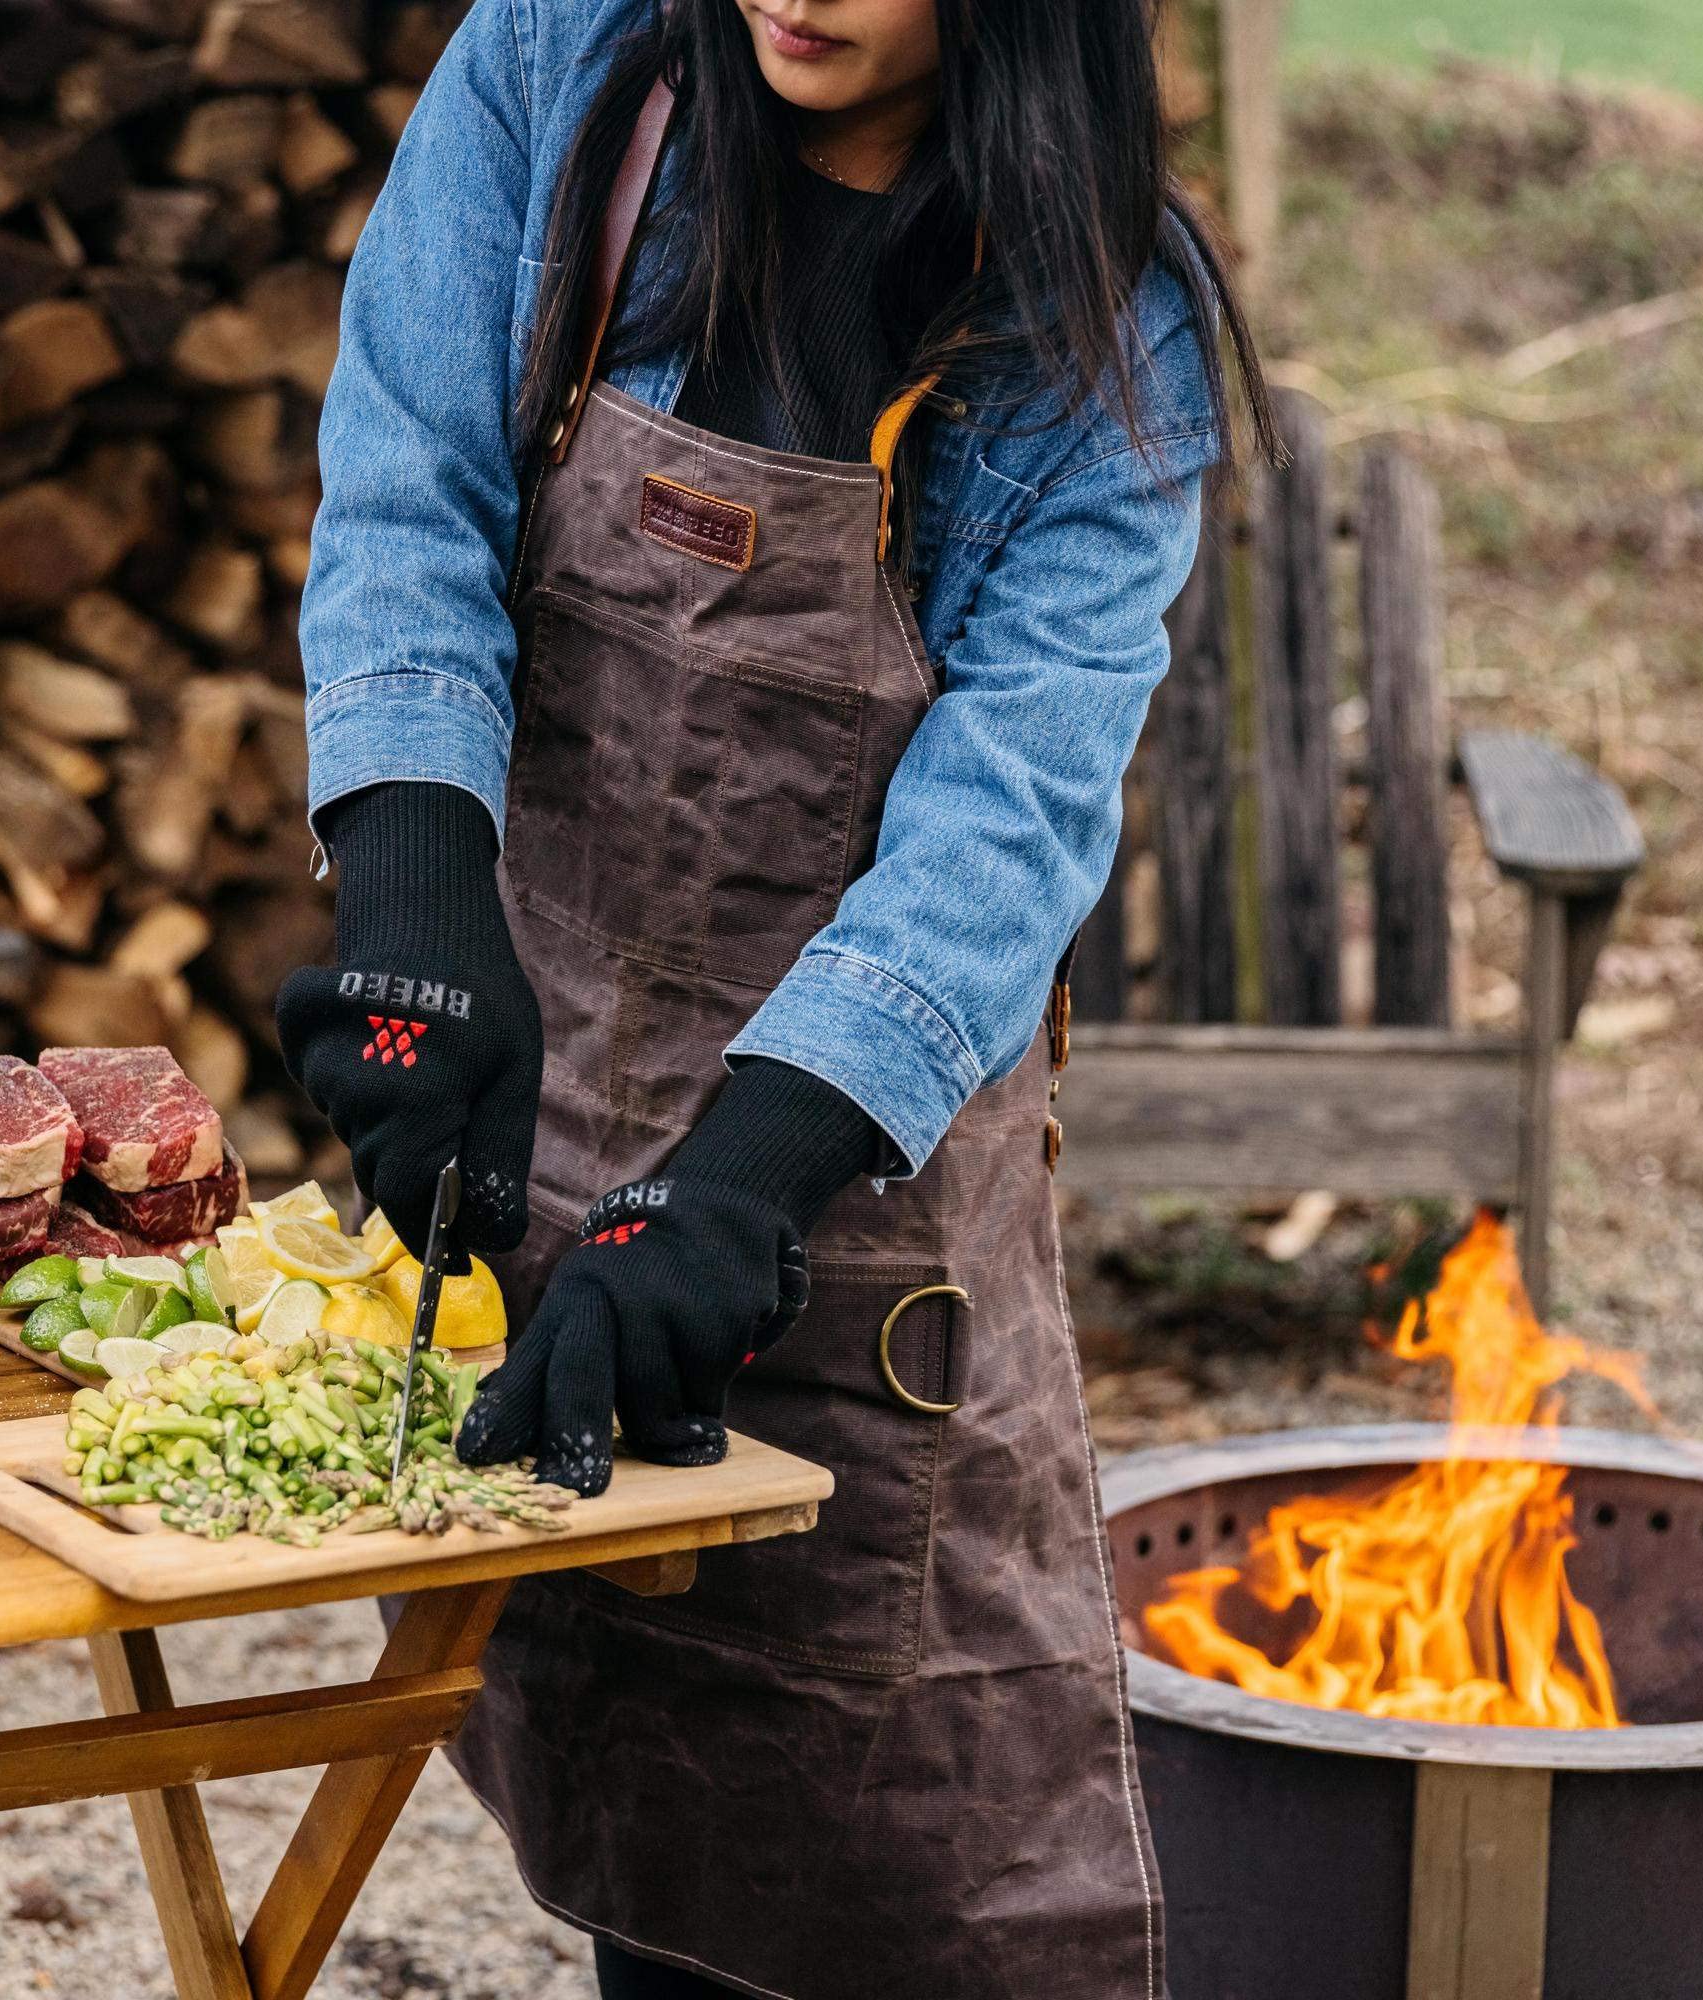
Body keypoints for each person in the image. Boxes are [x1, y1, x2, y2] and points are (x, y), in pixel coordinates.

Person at [278, 0, 1274, 1992]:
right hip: (548, 1168)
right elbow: (408, 492)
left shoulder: (1108, 319)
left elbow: (1009, 816)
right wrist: (412, 901)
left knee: (879, 1865)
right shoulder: (562, 70)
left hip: (852, 1227)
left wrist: (744, 1176)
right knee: (634, 1830)